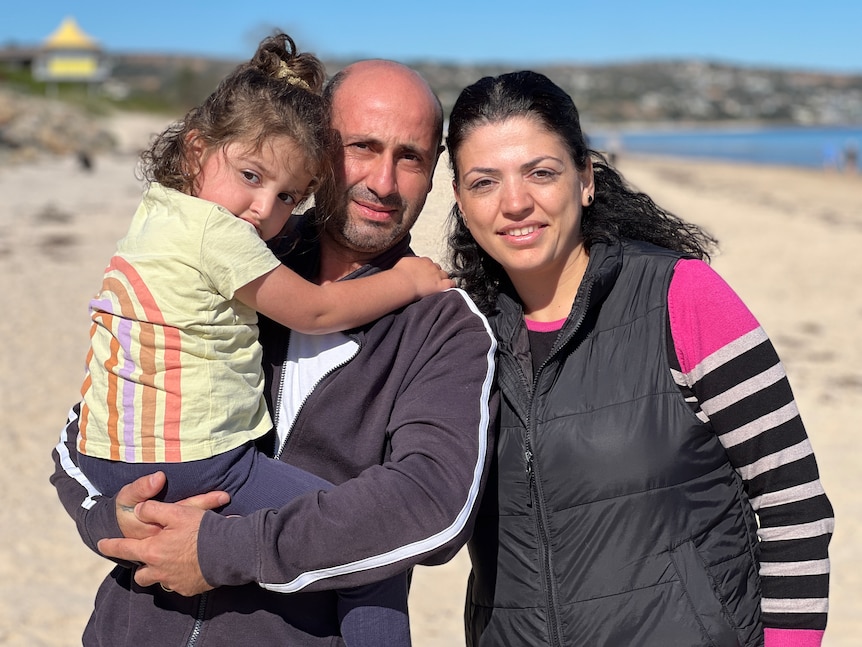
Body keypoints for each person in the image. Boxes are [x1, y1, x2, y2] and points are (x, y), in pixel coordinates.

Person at [51, 57, 497, 646]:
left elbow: (429, 505)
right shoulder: (223, 265)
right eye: (360, 146)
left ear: (434, 170)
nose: (384, 182)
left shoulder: (443, 326)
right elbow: (90, 428)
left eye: (409, 156)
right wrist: (107, 519)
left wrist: (220, 550)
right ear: (315, 148)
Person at [445, 71, 834, 647]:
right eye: (484, 182)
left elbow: (794, 506)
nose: (515, 202)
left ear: (585, 180)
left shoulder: (682, 297)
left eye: (541, 173)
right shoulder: (459, 334)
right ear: (460, 200)